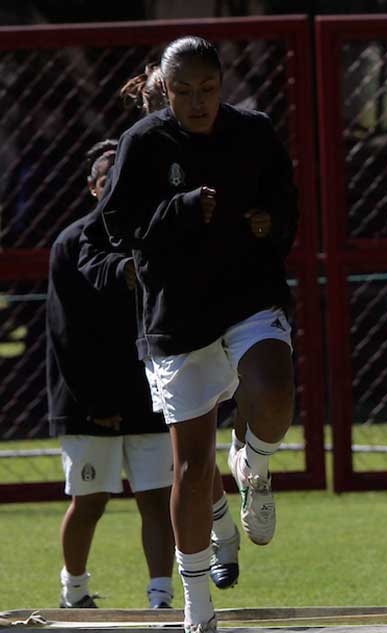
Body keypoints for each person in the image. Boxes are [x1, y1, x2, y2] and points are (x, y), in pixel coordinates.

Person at [96, 36, 298, 633]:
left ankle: (256, 463)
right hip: (177, 316)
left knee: (272, 387)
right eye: (182, 91)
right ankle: (198, 610)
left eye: (206, 89)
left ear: (222, 83)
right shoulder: (145, 145)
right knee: (190, 464)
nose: (196, 101)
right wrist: (181, 210)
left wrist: (273, 223)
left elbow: (287, 201)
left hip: (247, 296)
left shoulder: (255, 132)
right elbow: (116, 227)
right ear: (165, 86)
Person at [81, 66, 242, 591]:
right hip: (171, 328)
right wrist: (128, 266)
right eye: (171, 102)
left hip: (228, 315)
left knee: (216, 441)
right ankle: (219, 534)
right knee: (191, 458)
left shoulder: (222, 146)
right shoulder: (139, 159)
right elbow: (95, 244)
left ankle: (245, 494)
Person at [47, 140, 174, 610]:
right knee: (90, 498)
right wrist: (95, 405)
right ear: (92, 187)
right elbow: (65, 334)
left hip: (147, 393)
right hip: (86, 403)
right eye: (105, 183)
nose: (112, 192)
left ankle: (161, 596)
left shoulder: (150, 237)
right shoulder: (70, 243)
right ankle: (74, 591)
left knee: (156, 497)